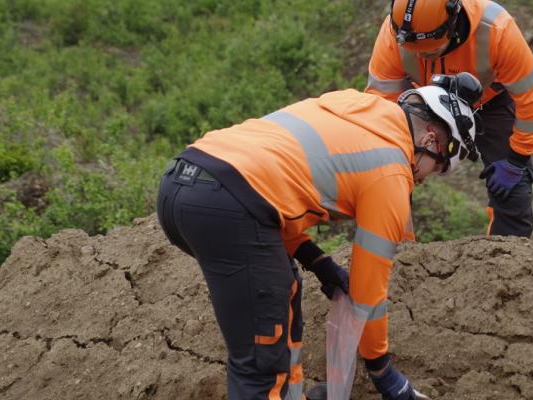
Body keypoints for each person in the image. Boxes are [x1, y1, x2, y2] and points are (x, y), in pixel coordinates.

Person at [155, 76, 481, 400]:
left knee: (284, 291)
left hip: (181, 184)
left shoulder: (352, 106)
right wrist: (384, 373)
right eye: (435, 169)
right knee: (262, 363)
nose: (423, 178)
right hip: (226, 203)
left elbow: (271, 192)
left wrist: (318, 262)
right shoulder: (392, 171)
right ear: (432, 141)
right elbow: (367, 293)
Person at [365, 0, 533, 237]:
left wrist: (517, 159)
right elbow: (382, 100)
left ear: (453, 21)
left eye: (429, 50)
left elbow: (532, 98)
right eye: (415, 50)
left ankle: (506, 261)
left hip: (489, 101)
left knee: (513, 190)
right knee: (389, 170)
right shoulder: (394, 33)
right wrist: (397, 153)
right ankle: (395, 252)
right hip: (423, 99)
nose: (420, 55)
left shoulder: (496, 30)